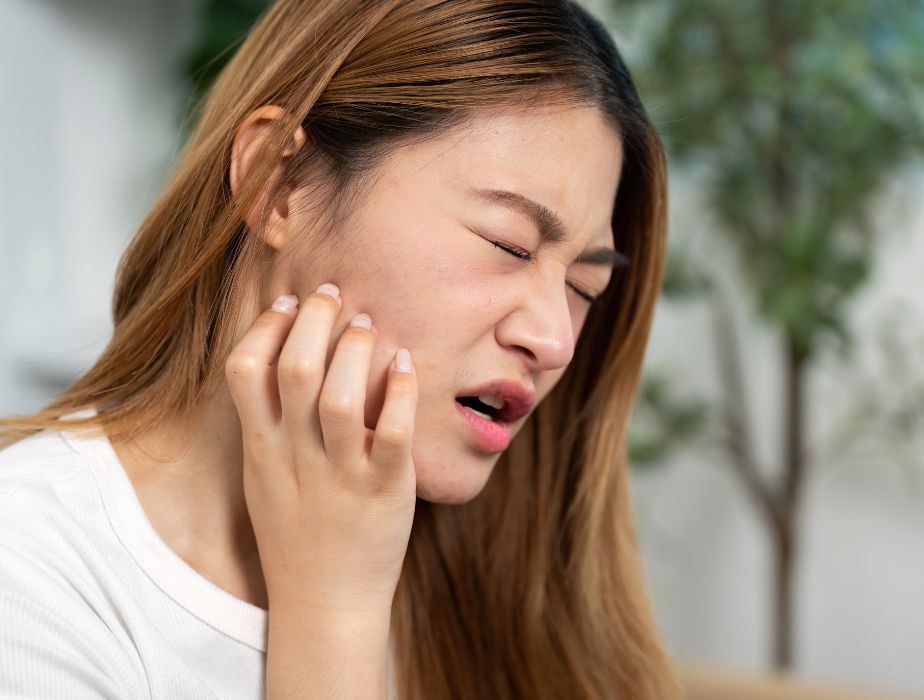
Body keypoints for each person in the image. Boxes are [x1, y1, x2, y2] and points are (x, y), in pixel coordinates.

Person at [0, 0, 679, 697]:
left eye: (585, 287)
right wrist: (332, 613)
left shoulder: (509, 588)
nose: (555, 339)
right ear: (278, 184)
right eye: (508, 244)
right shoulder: (28, 578)